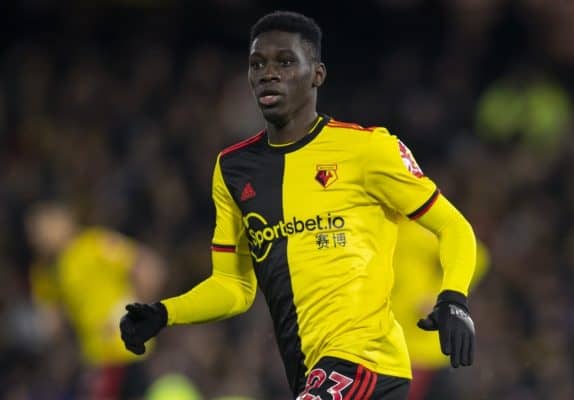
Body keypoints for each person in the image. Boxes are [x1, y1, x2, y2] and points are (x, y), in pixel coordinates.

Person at [120, 11, 477, 399]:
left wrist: (454, 298)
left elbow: (454, 227)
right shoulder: (233, 170)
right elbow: (234, 287)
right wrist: (165, 313)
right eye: (258, 64)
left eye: (285, 62)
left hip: (366, 363)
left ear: (317, 75)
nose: (268, 73)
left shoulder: (369, 149)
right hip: (310, 373)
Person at [25, 202, 165, 399]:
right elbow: (52, 322)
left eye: (43, 228)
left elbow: (149, 268)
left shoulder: (93, 245)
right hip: (96, 357)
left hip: (123, 349)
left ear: (65, 221)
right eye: (34, 233)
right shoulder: (45, 272)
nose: (39, 238)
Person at [391, 218, 489, 400]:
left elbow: (474, 254)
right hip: (387, 333)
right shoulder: (382, 224)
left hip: (419, 342)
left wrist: (442, 295)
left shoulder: (423, 226)